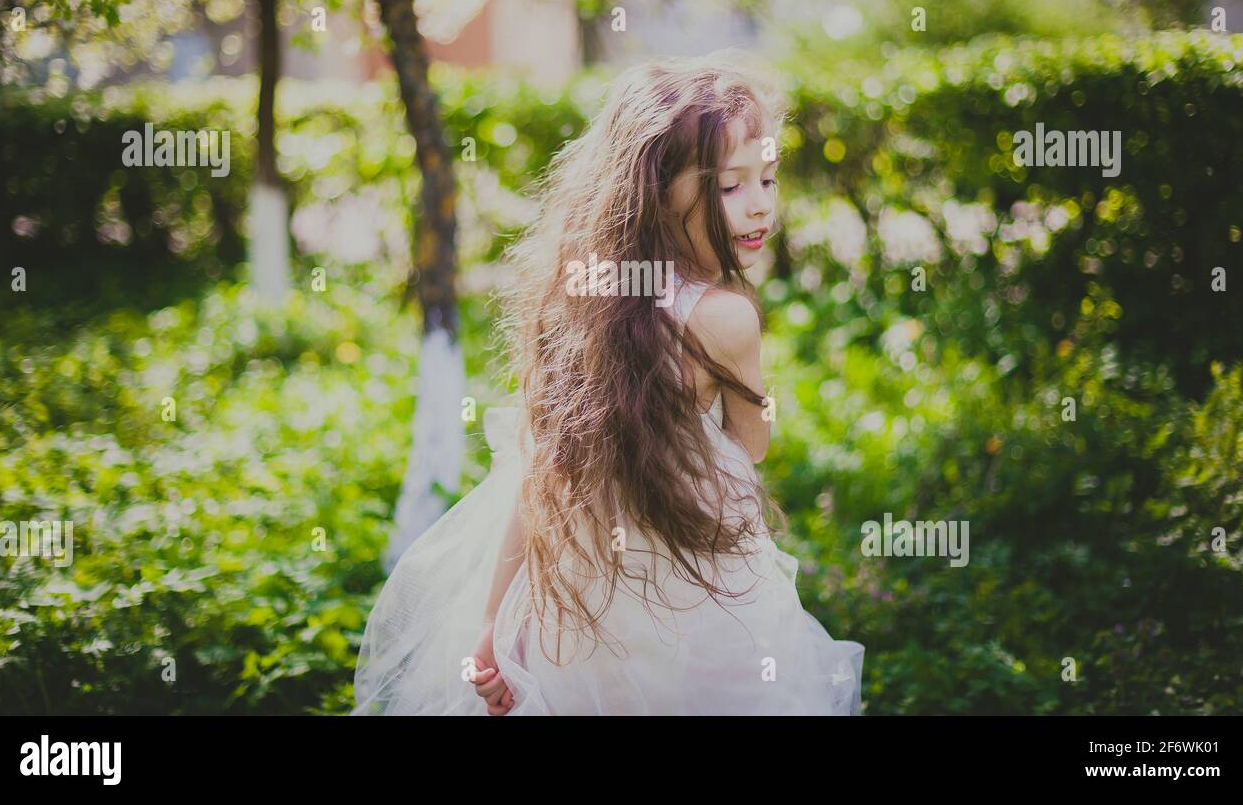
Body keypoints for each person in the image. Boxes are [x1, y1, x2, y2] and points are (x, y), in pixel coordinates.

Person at [352, 50, 864, 715]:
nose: (760, 206)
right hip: (697, 590)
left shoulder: (582, 303)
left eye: (767, 179)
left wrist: (490, 625)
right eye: (730, 186)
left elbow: (540, 473)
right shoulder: (726, 318)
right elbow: (754, 445)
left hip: (582, 600)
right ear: (660, 189)